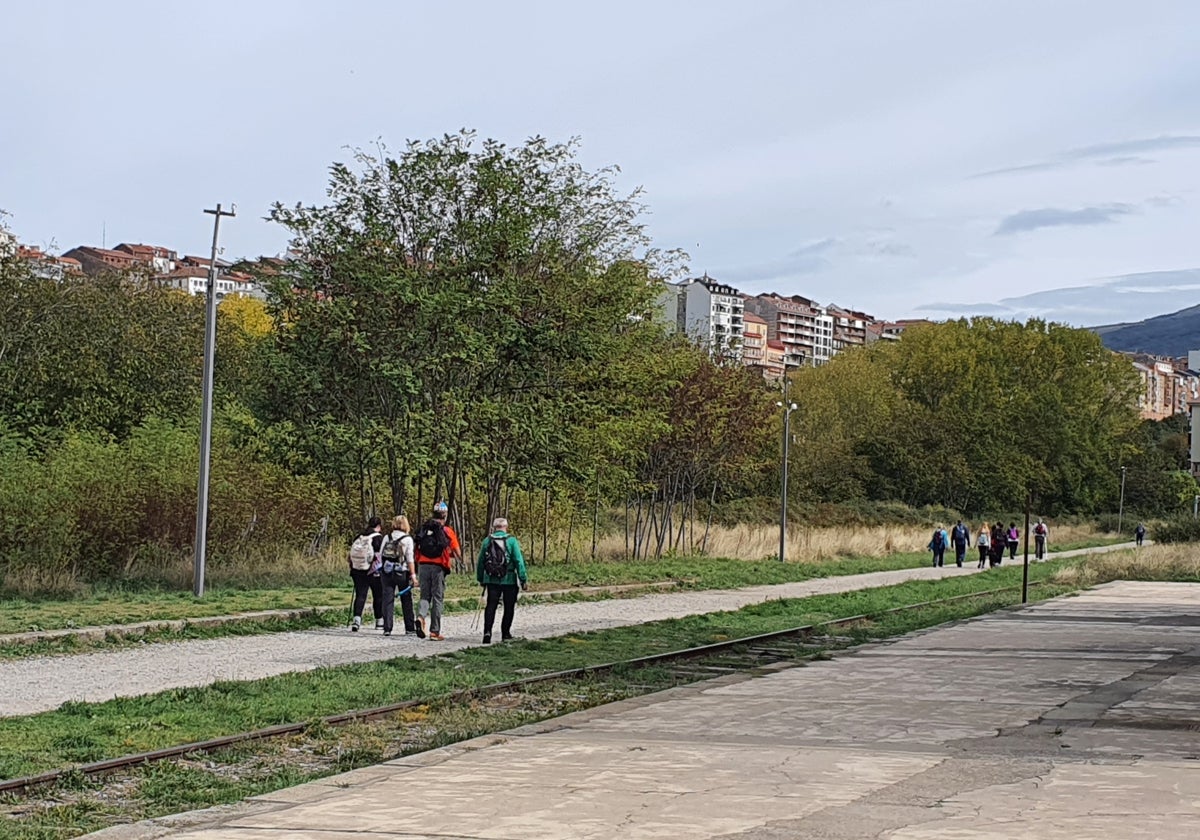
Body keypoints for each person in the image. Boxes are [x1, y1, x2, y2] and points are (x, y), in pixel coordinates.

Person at [476, 517, 528, 644]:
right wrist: (523, 579)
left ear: (494, 527)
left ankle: (487, 633)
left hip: (491, 579)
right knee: (509, 606)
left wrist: (481, 579)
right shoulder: (511, 541)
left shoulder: (487, 541)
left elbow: (480, 562)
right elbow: (518, 561)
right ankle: (505, 633)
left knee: (491, 606)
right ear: (506, 527)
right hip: (508, 579)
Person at [414, 502, 460, 641]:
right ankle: (434, 632)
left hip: (423, 565)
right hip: (438, 567)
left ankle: (421, 617)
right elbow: (456, 550)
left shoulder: (423, 529)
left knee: (424, 595)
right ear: (444, 515)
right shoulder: (446, 531)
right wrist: (460, 560)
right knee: (437, 598)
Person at [379, 515, 418, 637]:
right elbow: (410, 559)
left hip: (387, 571)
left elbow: (381, 554)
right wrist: (413, 575)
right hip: (402, 572)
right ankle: (409, 627)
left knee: (387, 599)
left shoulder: (387, 537)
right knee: (406, 599)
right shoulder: (407, 539)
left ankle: (387, 628)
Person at [348, 516, 385, 632]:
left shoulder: (359, 537)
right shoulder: (379, 538)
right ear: (379, 526)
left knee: (360, 595)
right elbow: (380, 556)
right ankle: (379, 621)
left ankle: (356, 620)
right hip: (373, 571)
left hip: (357, 570)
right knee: (378, 595)